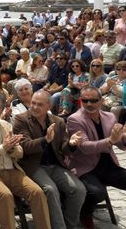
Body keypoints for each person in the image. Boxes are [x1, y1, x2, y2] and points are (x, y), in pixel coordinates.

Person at [0, 91, 51, 229]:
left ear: (2, 110)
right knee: (4, 195)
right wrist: (3, 148)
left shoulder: (6, 126)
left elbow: (19, 153)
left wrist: (12, 149)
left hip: (11, 170)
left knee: (37, 192)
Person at [13, 90, 86, 229]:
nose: (34, 107)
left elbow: (63, 148)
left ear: (49, 106)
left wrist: (71, 143)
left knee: (78, 189)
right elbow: (25, 146)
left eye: (39, 104)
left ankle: (69, 225)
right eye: (33, 103)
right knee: (50, 190)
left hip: (55, 165)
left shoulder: (58, 121)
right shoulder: (21, 120)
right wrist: (45, 140)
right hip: (34, 166)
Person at [66, 86, 126, 229]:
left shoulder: (110, 116)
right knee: (96, 193)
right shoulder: (74, 119)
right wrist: (110, 140)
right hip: (84, 167)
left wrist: (123, 138)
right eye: (85, 100)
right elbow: (85, 147)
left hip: (108, 165)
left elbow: (117, 140)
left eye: (93, 100)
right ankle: (85, 213)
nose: (89, 104)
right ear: (80, 101)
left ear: (101, 101)